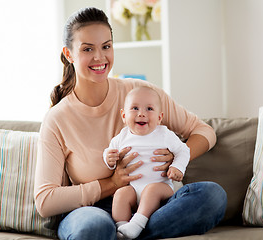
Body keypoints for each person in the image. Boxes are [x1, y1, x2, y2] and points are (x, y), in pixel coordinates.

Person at [34, 7, 227, 240]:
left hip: (156, 204)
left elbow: (204, 131)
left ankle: (130, 231)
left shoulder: (139, 94)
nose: (99, 57)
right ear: (69, 54)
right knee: (93, 229)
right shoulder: (57, 119)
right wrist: (112, 183)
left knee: (212, 196)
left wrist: (177, 159)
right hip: (95, 210)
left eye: (106, 46)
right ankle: (127, 231)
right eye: (87, 49)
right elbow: (45, 201)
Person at [103, 86, 190, 239]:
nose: (141, 113)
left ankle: (137, 224)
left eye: (149, 109)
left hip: (162, 189)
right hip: (133, 190)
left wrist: (177, 167)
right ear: (124, 115)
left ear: (159, 117)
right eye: (135, 108)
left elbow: (184, 150)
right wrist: (109, 159)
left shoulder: (164, 134)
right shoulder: (121, 137)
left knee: (151, 190)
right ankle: (123, 229)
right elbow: (109, 153)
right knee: (121, 194)